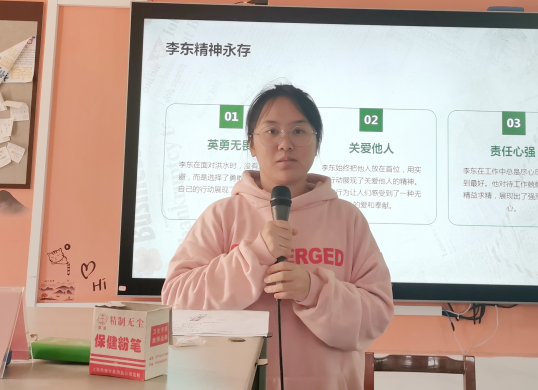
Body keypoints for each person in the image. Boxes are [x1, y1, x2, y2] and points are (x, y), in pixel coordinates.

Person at [162, 84, 394, 390]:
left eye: (299, 131)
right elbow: (177, 303)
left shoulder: (347, 218)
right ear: (252, 144)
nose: (286, 143)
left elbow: (376, 315)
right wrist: (254, 255)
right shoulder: (222, 215)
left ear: (316, 142)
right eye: (272, 131)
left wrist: (313, 290)